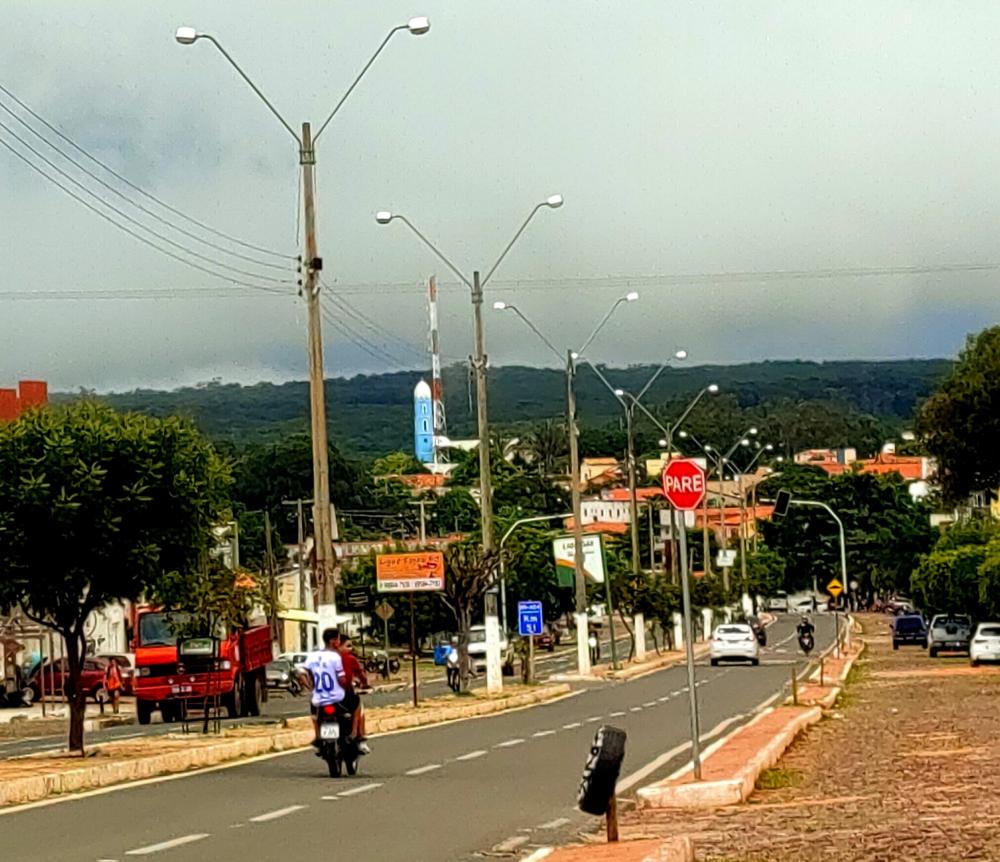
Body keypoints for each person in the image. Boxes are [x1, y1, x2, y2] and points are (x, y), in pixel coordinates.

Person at [299, 628, 347, 751]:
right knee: (346, 714)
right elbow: (341, 679)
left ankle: (318, 737)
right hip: (336, 697)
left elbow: (302, 674)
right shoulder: (335, 657)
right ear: (333, 641)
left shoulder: (313, 656)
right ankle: (348, 736)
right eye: (338, 639)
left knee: (315, 716)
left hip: (319, 698)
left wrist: (310, 687)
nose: (339, 642)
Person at [338, 637, 371, 755]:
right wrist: (365, 684)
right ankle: (359, 736)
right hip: (345, 695)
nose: (351, 649)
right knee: (358, 707)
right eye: (348, 646)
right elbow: (361, 675)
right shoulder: (350, 659)